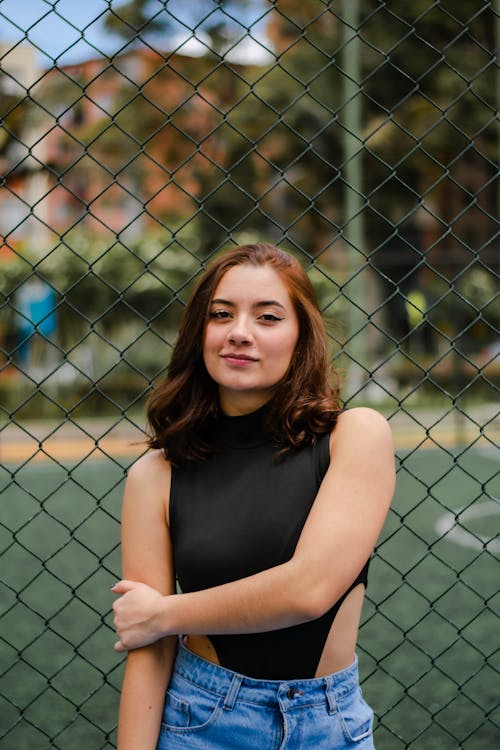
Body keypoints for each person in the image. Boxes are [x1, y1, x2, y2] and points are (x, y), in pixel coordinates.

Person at [112, 243, 395, 750]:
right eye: (221, 314)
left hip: (329, 725)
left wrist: (164, 613)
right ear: (200, 331)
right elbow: (148, 652)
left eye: (267, 317)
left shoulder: (355, 436)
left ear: (300, 336)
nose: (240, 331)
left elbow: (308, 591)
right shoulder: (155, 476)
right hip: (201, 722)